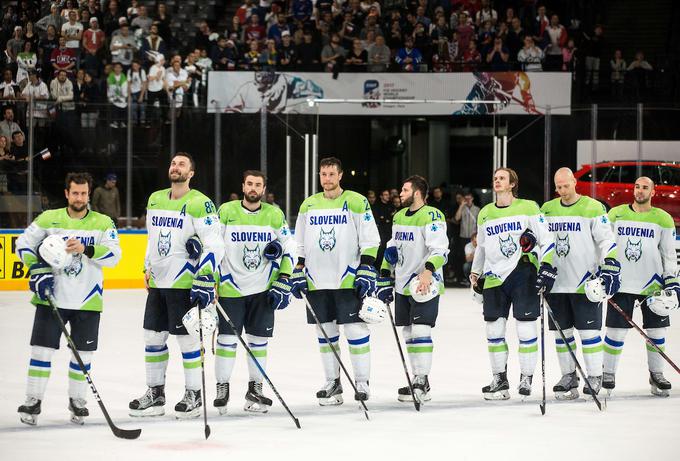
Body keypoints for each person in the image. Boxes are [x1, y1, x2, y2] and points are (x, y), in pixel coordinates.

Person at [15, 172, 121, 426]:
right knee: (41, 351)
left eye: (84, 193)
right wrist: (37, 269)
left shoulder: (103, 222)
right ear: (66, 193)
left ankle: (77, 402)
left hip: (88, 300)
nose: (80, 198)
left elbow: (115, 256)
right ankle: (33, 400)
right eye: (75, 193)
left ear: (88, 194)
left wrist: (88, 249)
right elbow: (23, 244)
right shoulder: (49, 218)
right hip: (52, 298)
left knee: (83, 356)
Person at [129, 152, 224, 419]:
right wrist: (147, 265)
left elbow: (214, 243)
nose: (175, 167)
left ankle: (193, 394)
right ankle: (155, 394)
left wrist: (206, 274)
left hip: (185, 282)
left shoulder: (201, 203)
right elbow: (152, 236)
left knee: (186, 339)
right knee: (153, 337)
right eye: (172, 163)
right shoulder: (156, 199)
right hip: (159, 282)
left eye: (181, 164)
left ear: (191, 173)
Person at [292, 157, 381, 404]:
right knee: (326, 334)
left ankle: (361, 382)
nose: (327, 179)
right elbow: (299, 241)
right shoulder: (308, 205)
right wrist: (298, 267)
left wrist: (366, 265)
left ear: (340, 175)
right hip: (316, 280)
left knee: (355, 330)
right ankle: (333, 383)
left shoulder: (356, 201)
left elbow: (370, 238)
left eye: (331, 174)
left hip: (348, 279)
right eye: (323, 174)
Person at [213, 170, 296, 414]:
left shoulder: (274, 214)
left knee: (258, 342)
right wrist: (213, 279)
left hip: (262, 288)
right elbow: (215, 247)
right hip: (230, 288)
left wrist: (284, 276)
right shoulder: (226, 211)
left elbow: (289, 246)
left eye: (258, 185)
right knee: (227, 341)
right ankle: (222, 387)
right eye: (249, 183)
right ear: (243, 185)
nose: (253, 188)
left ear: (263, 189)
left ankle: (255, 388)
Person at [470, 167, 555, 400]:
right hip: (493, 276)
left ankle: (526, 377)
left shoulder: (528, 207)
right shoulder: (486, 212)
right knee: (494, 328)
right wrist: (475, 272)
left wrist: (546, 265)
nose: (497, 181)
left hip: (522, 271)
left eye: (502, 179)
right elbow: (483, 246)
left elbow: (546, 238)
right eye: (495, 178)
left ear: (512, 184)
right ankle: (499, 379)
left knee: (525, 326)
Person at [541, 167, 620, 399]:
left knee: (589, 333)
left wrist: (611, 264)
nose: (562, 191)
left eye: (566, 185)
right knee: (561, 334)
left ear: (574, 182)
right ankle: (569, 375)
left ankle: (594, 375)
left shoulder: (594, 207)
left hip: (585, 283)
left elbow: (607, 239)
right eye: (558, 187)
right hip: (556, 282)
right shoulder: (547, 209)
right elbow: (539, 240)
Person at [603, 177, 678, 397]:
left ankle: (657, 374)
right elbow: (605, 245)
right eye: (637, 186)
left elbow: (668, 254)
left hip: (652, 284)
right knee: (615, 332)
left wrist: (672, 281)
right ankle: (608, 374)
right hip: (622, 282)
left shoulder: (663, 219)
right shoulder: (616, 214)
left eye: (645, 187)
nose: (640, 190)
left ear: (653, 192)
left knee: (656, 332)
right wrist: (605, 270)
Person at [377, 175, 449, 402]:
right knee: (408, 332)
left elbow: (440, 249)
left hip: (423, 283)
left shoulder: (432, 215)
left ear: (417, 193)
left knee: (421, 330)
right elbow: (392, 245)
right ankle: (418, 378)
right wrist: (385, 271)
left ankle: (421, 379)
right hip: (402, 283)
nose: (401, 193)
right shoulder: (398, 215)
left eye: (405, 190)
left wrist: (428, 270)